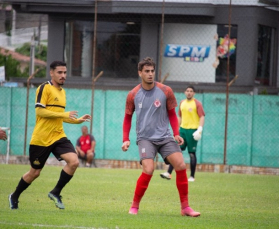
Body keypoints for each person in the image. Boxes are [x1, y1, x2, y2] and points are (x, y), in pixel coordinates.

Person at [122, 57, 200, 217]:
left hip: (165, 137)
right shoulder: (133, 94)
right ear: (140, 73)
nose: (150, 74)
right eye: (147, 71)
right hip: (145, 138)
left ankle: (185, 207)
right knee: (149, 169)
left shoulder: (166, 91)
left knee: (180, 165)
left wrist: (176, 133)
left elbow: (172, 114)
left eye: (152, 71)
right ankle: (135, 205)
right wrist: (126, 138)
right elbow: (127, 117)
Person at [8, 60, 91, 210]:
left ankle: (55, 192)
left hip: (58, 136)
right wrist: (64, 114)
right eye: (59, 72)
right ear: (51, 73)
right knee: (35, 173)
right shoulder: (44, 88)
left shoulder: (62, 92)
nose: (63, 75)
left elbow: (60, 116)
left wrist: (78, 121)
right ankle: (14, 196)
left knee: (74, 162)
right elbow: (40, 111)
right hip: (41, 138)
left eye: (65, 72)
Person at [160, 85, 205, 182]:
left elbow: (202, 117)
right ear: (185, 92)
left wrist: (199, 130)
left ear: (194, 93)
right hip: (183, 131)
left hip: (193, 131)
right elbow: (179, 117)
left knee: (192, 153)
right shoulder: (182, 103)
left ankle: (192, 176)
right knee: (176, 152)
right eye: (187, 90)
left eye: (191, 91)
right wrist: (177, 130)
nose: (189, 92)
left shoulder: (197, 103)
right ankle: (168, 173)